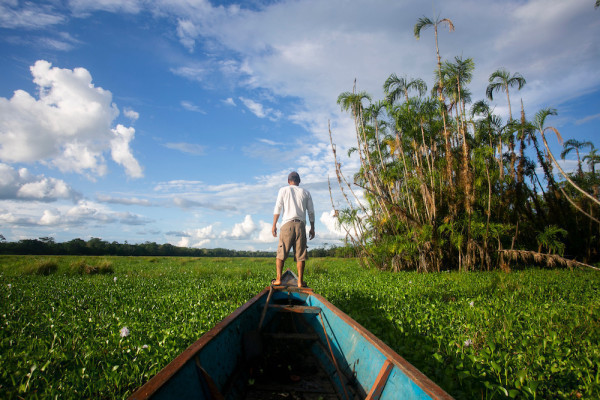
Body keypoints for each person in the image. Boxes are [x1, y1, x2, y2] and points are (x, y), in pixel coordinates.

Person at [272, 171, 315, 287]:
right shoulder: (306, 192)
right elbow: (311, 211)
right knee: (301, 255)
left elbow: (278, 208)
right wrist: (312, 227)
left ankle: (278, 279)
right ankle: (300, 281)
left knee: (281, 253)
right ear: (299, 181)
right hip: (300, 225)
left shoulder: (283, 190)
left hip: (287, 225)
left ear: (288, 181)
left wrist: (274, 225)